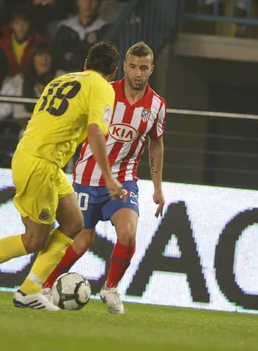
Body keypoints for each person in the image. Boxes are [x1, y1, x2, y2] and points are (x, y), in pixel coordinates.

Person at [0, 41, 124, 311]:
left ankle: (30, 289)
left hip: (40, 159)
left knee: (74, 223)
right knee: (35, 240)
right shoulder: (103, 87)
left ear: (86, 64)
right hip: (40, 162)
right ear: (113, 73)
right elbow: (96, 131)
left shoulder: (62, 80)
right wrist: (109, 176)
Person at [42, 42, 167, 314]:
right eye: (132, 66)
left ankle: (110, 288)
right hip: (87, 177)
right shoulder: (105, 91)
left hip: (124, 180)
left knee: (128, 233)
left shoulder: (157, 105)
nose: (137, 73)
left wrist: (157, 188)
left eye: (143, 68)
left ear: (151, 69)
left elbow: (156, 143)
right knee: (81, 241)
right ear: (124, 66)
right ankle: (44, 285)